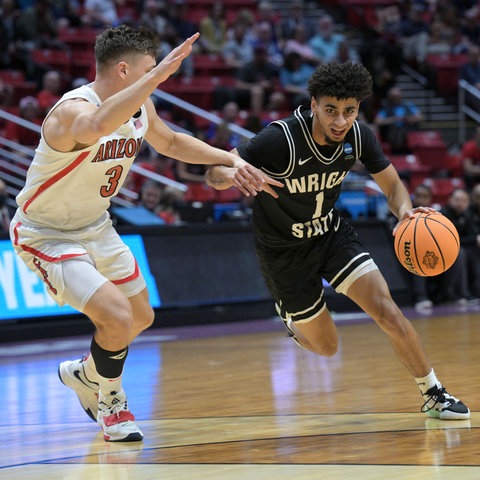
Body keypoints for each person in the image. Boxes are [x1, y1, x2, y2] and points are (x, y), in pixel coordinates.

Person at [9, 24, 281, 443]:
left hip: (95, 225)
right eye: (152, 70)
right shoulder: (70, 111)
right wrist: (157, 77)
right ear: (124, 70)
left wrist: (230, 157)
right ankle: (111, 402)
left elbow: (171, 141)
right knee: (116, 317)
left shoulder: (140, 106)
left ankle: (86, 372)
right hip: (47, 233)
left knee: (140, 317)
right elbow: (97, 125)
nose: (160, 76)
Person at [205, 61, 470, 421]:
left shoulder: (358, 137)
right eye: (331, 110)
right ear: (313, 104)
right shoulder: (279, 139)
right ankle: (291, 319)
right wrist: (233, 173)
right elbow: (213, 173)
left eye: (349, 111)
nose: (340, 121)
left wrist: (404, 213)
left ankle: (433, 392)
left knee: (388, 311)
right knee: (328, 348)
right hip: (283, 252)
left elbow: (392, 186)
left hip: (330, 234)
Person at [374, 86, 423, 154]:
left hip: (407, 129)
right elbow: (378, 121)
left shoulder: (408, 105)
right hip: (391, 132)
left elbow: (419, 117)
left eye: (397, 96)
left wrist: (409, 119)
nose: (396, 99)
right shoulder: (385, 108)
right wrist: (394, 119)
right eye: (393, 97)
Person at [460, 125, 480, 190]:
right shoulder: (468, 147)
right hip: (473, 175)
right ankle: (471, 195)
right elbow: (467, 168)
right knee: (468, 176)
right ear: (475, 135)